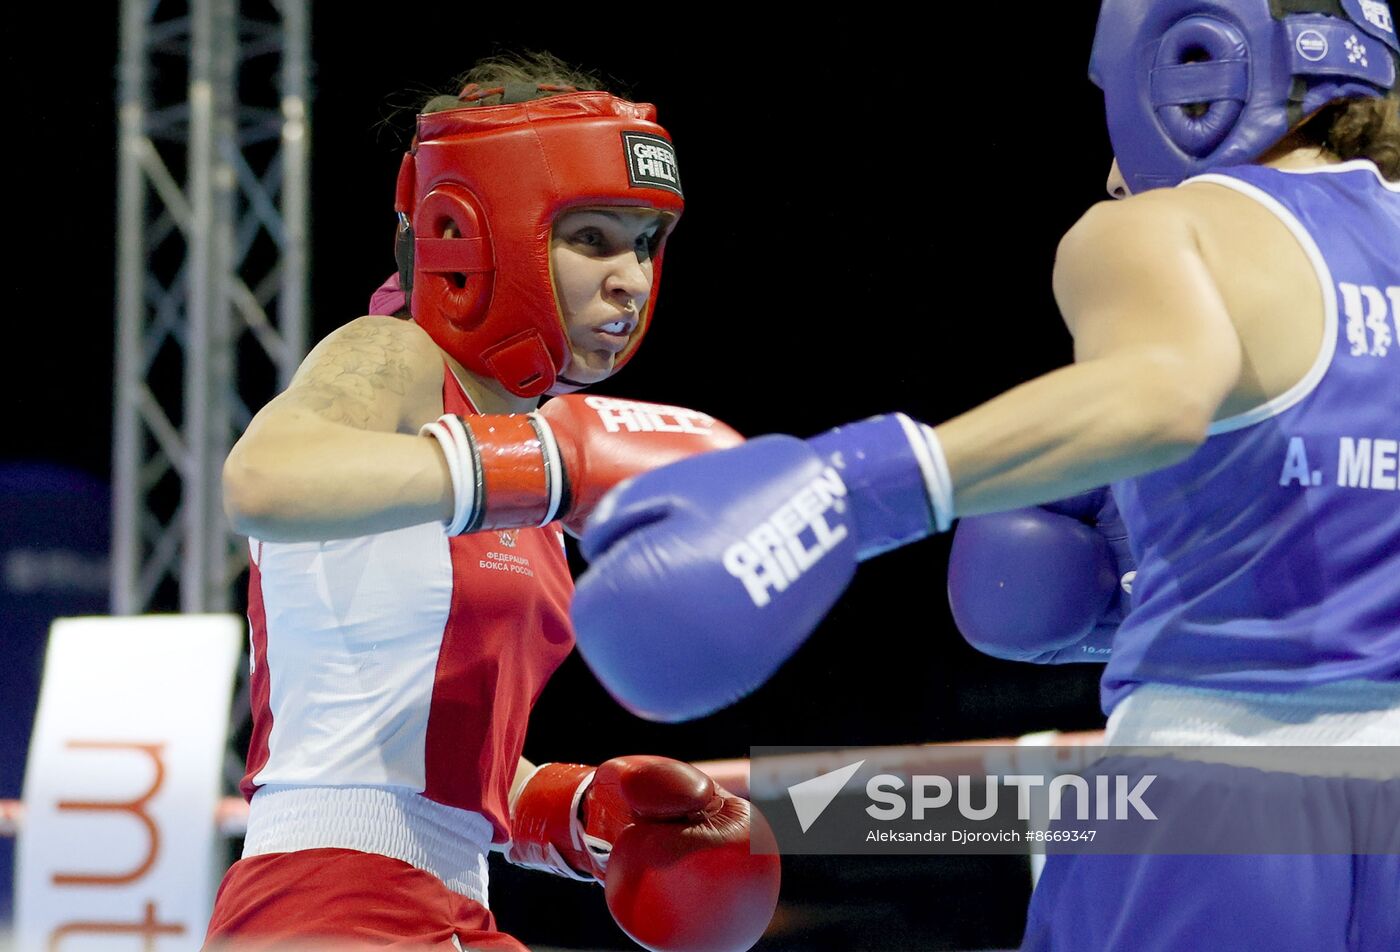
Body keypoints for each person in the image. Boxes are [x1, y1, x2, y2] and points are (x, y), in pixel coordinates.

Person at [568, 1, 1399, 947]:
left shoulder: (1168, 229)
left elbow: (1161, 396)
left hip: (1214, 795)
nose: (1115, 169)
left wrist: (853, 485)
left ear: (1188, 70)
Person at [203, 53, 779, 951]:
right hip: (323, 903)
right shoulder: (393, 360)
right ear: (476, 231)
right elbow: (261, 480)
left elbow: (413, 744)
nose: (629, 277)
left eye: (645, 242)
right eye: (591, 238)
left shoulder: (530, 458)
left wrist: (572, 811)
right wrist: (535, 463)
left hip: (447, 908)